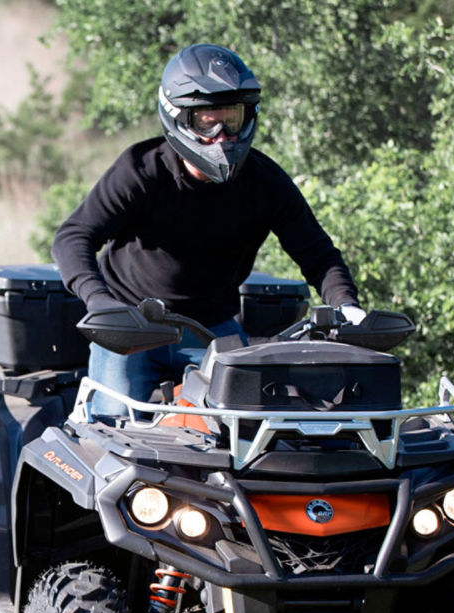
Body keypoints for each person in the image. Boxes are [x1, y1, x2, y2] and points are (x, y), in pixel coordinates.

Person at [51, 43, 367, 417]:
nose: (222, 134)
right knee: (109, 424)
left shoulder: (266, 182)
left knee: (244, 425)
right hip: (130, 323)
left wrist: (346, 306)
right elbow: (73, 236)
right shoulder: (141, 170)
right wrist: (100, 302)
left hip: (212, 328)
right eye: (207, 120)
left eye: (231, 118)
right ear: (178, 117)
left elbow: (317, 253)